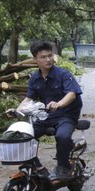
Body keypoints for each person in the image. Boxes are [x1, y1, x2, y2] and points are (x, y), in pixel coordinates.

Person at [17, 40, 83, 179]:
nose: (48, 59)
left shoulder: (63, 74)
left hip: (67, 115)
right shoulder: (35, 78)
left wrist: (59, 104)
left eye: (50, 55)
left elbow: (71, 94)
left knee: (62, 136)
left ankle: (64, 166)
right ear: (35, 60)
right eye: (43, 57)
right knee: (24, 136)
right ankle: (38, 167)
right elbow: (29, 98)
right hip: (47, 116)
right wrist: (17, 110)